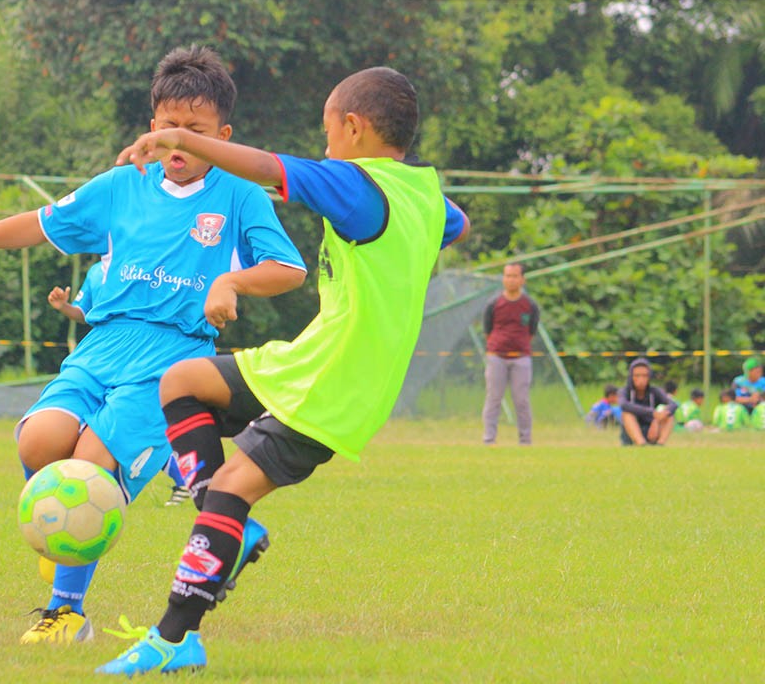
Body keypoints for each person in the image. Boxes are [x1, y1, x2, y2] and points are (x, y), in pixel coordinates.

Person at [0, 45, 307, 645]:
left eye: (196, 131)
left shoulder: (239, 196)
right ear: (151, 126)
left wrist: (230, 281)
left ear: (223, 136)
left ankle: (66, 612)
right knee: (39, 440)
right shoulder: (122, 185)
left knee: (87, 467)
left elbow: (290, 269)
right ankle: (101, 538)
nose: (179, 143)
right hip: (100, 348)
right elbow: (41, 222)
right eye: (167, 128)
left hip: (172, 360)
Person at [96, 66, 469, 675]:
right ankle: (227, 532)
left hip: (335, 384)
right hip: (314, 359)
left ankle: (174, 638)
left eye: (328, 133)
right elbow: (458, 224)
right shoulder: (421, 194)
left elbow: (269, 168)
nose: (325, 148)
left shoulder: (356, 184)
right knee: (183, 381)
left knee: (229, 490)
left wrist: (181, 139)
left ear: (353, 127)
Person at [49, 261, 192, 506]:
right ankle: (190, 478)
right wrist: (64, 307)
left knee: (125, 429)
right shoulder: (95, 272)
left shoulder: (144, 264)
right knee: (102, 430)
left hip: (142, 357)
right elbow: (84, 313)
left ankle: (190, 479)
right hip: (102, 358)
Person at [480, 263, 540, 445]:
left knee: (521, 401)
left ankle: (525, 440)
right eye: (507, 276)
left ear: (522, 279)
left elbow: (531, 331)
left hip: (521, 358)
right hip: (496, 356)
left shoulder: (530, 305)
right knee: (493, 399)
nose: (510, 280)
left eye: (514, 276)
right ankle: (489, 440)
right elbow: (487, 330)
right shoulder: (494, 304)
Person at [618, 358, 677, 446]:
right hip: (631, 432)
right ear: (631, 377)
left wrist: (657, 419)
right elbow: (623, 405)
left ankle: (660, 445)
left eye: (644, 375)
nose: (641, 379)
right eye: (637, 375)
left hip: (651, 430)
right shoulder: (625, 391)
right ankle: (641, 444)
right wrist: (652, 413)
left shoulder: (655, 391)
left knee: (669, 416)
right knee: (627, 414)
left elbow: (673, 404)